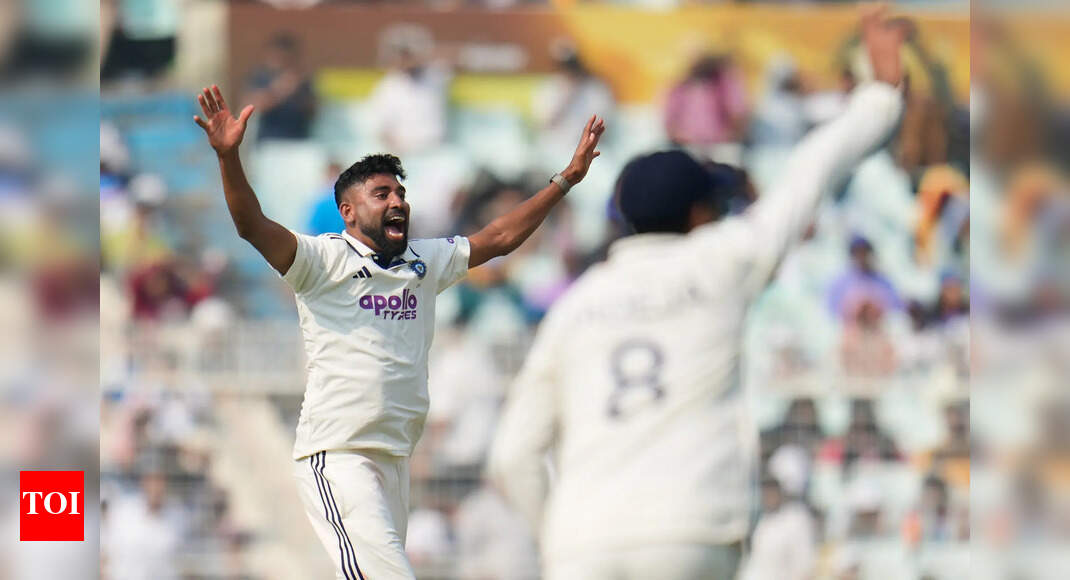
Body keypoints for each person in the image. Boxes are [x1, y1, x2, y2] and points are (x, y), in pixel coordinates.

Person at [487, 7, 904, 579]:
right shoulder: (724, 259)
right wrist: (880, 97)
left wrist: (558, 535)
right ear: (700, 212)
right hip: (691, 527)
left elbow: (512, 455)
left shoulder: (576, 305)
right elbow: (810, 172)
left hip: (582, 541)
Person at [192, 82, 605, 579]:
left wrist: (565, 180)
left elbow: (497, 237)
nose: (398, 202)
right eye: (382, 193)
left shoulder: (424, 260)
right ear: (347, 212)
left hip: (394, 459)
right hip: (339, 457)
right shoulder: (322, 260)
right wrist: (228, 157)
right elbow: (251, 225)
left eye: (401, 193)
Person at [243, 34, 317, 142]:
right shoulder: (261, 77)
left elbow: (313, 111)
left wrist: (299, 95)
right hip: (270, 141)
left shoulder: (302, 81)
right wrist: (281, 89)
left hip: (298, 141)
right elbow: (252, 106)